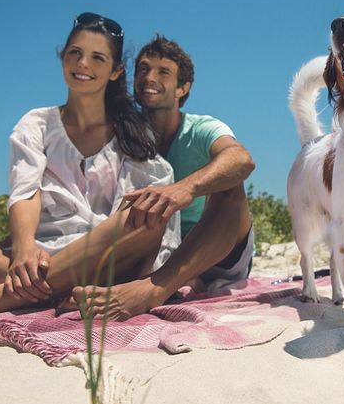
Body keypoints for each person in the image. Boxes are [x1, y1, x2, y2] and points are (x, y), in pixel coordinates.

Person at [0, 13, 180, 319]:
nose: (83, 64)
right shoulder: (37, 123)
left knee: (146, 215)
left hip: (106, 263)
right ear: (63, 59)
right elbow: (26, 190)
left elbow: (147, 224)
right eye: (75, 53)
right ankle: (51, 290)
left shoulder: (134, 135)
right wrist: (23, 250)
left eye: (97, 58)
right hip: (38, 260)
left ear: (115, 71)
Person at [70, 35, 255, 318]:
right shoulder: (125, 134)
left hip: (217, 248)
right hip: (154, 250)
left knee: (230, 184)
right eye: (143, 70)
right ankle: (174, 281)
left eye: (163, 72)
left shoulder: (202, 128)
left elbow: (241, 159)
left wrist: (184, 189)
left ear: (183, 88)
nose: (149, 77)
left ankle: (155, 289)